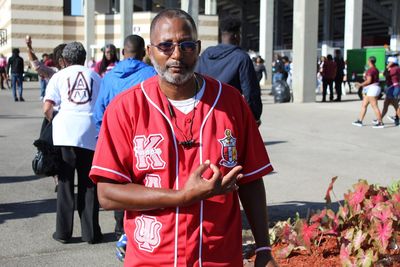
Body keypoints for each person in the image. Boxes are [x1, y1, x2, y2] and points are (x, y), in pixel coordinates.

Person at [90, 9, 277, 267]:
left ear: (197, 48)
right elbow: (107, 194)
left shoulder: (231, 103)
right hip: (152, 259)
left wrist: (264, 248)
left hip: (219, 258)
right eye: (166, 46)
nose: (177, 55)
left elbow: (251, 178)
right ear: (151, 50)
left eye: (186, 45)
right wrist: (182, 196)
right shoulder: (125, 108)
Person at [93, 34, 156, 239]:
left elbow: (99, 112)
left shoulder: (109, 77)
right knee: (144, 181)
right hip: (145, 137)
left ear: (122, 52)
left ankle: (121, 227)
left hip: (116, 137)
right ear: (145, 52)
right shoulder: (152, 74)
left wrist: (106, 134)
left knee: (119, 182)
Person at [43, 42, 102, 244]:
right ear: (83, 58)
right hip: (90, 133)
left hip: (65, 134)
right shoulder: (95, 76)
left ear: (64, 60)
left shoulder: (58, 76)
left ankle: (63, 233)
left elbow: (47, 107)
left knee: (65, 183)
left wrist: (56, 122)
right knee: (89, 184)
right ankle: (91, 233)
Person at [195, 16, 263, 124]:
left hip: (204, 113)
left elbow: (195, 80)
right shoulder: (242, 58)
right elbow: (250, 92)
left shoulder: (206, 54)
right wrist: (254, 116)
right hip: (228, 115)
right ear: (236, 36)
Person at [352, 56, 384, 128]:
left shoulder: (370, 70)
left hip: (372, 89)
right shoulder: (375, 69)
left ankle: (380, 123)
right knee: (364, 105)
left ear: (369, 61)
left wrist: (360, 84)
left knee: (374, 106)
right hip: (373, 88)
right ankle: (360, 121)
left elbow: (369, 81)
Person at [381, 56, 400, 125]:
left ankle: (397, 118)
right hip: (393, 87)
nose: (387, 63)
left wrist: (386, 68)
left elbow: (385, 75)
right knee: (387, 104)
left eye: (389, 62)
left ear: (392, 62)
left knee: (394, 104)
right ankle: (379, 119)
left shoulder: (394, 69)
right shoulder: (397, 68)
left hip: (393, 88)